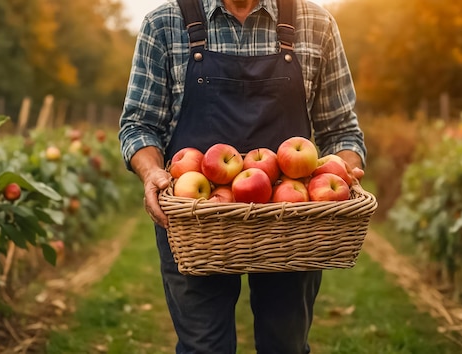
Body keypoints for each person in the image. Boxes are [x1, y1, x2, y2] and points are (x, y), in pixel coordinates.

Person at [119, 0, 366, 352]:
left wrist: (344, 170)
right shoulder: (165, 23)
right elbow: (139, 125)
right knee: (204, 347)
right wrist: (152, 173)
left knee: (286, 345)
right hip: (197, 220)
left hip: (291, 223)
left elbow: (341, 129)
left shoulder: (315, 24)